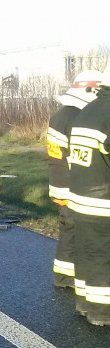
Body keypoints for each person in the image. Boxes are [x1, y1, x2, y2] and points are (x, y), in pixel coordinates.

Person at [46, 71, 102, 292]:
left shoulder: (60, 115)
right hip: (74, 186)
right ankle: (76, 279)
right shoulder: (77, 117)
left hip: (59, 182)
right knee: (79, 232)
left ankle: (63, 276)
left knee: (68, 230)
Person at [67, 66, 110, 325]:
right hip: (103, 201)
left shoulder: (88, 111)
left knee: (85, 252)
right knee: (102, 256)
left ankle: (84, 302)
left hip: (81, 197)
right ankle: (102, 312)